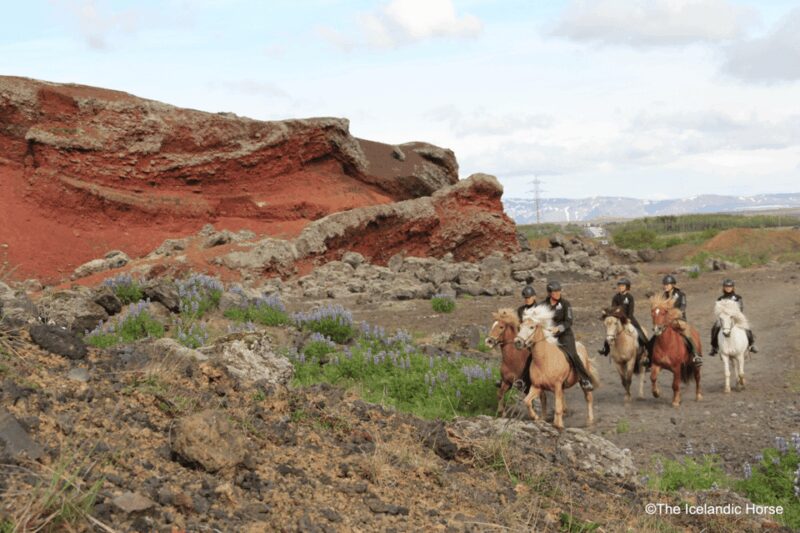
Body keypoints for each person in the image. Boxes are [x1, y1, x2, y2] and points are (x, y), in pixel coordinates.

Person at [545, 280, 593, 391]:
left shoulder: (566, 304)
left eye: (558, 291)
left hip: (564, 335)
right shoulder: (543, 305)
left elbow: (569, 321)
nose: (558, 293)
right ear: (549, 293)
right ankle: (525, 380)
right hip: (548, 335)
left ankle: (585, 379)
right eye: (554, 292)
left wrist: (558, 328)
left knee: (573, 354)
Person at [598, 278, 650, 360]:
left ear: (627, 287)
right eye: (619, 286)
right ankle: (605, 349)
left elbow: (631, 310)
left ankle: (647, 348)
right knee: (610, 333)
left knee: (639, 331)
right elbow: (613, 309)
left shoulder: (630, 297)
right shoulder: (615, 297)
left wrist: (629, 318)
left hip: (629, 318)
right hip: (618, 318)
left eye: (622, 286)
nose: (620, 287)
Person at [659, 274, 701, 365]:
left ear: (673, 285)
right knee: (657, 334)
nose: (665, 286)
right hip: (666, 321)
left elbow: (683, 306)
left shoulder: (681, 294)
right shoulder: (663, 296)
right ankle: (651, 357)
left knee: (686, 333)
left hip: (679, 319)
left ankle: (695, 355)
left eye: (667, 284)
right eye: (664, 284)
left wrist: (676, 314)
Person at [709, 278, 758, 356]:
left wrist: (734, 315)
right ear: (723, 287)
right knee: (715, 327)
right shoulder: (720, 298)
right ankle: (714, 347)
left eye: (730, 286)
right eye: (726, 286)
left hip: (736, 317)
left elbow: (741, 308)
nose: (728, 288)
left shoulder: (738, 297)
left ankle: (751, 344)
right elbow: (718, 309)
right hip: (724, 318)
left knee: (746, 327)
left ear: (733, 287)